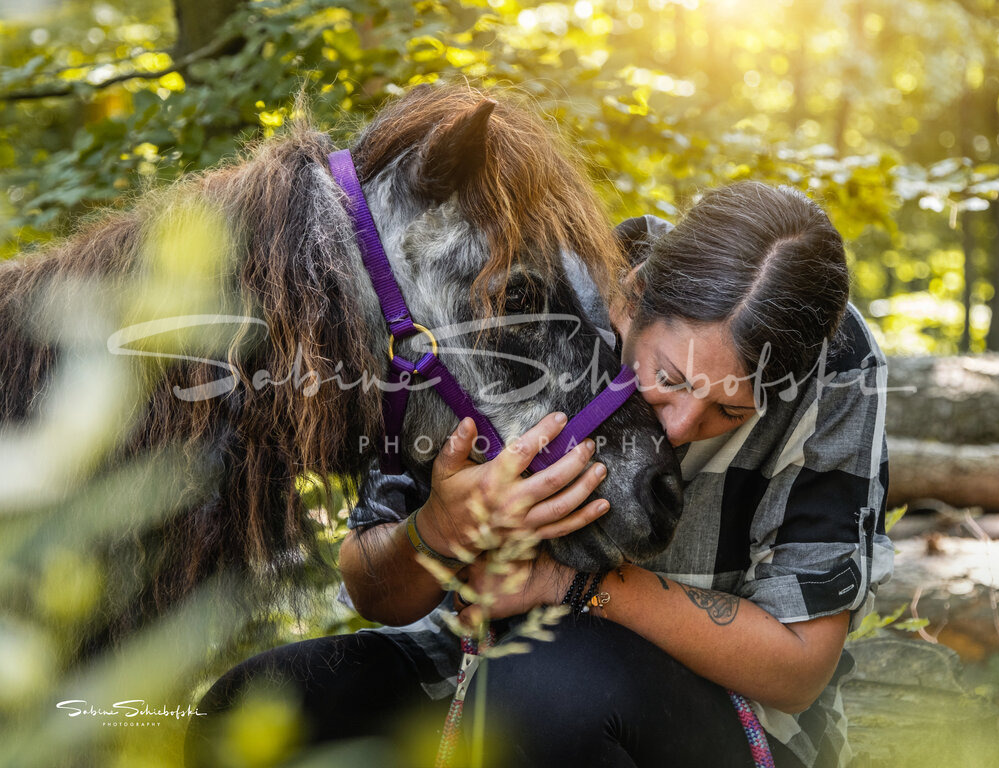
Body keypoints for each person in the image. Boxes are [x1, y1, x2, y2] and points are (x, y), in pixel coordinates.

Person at [185, 183, 893, 768]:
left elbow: (797, 670)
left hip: (727, 726)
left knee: (545, 684)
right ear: (632, 295)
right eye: (668, 377)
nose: (678, 428)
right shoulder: (543, 292)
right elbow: (372, 587)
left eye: (728, 410)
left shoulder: (841, 369)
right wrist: (438, 529)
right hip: (475, 672)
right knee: (258, 707)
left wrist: (573, 585)